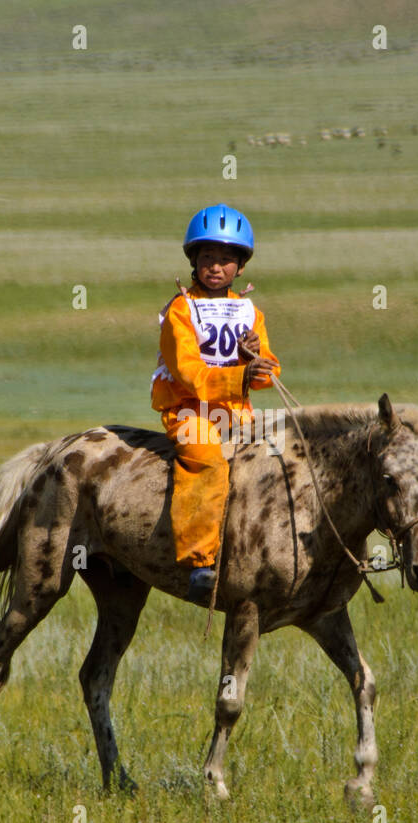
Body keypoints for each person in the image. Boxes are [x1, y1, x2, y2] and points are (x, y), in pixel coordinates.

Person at [150, 203, 281, 602]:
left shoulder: (249, 312)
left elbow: (269, 374)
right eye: (207, 257)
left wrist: (256, 360)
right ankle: (200, 562)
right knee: (205, 456)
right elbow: (188, 372)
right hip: (188, 412)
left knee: (281, 458)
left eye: (226, 259)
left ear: (240, 267)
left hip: (236, 414)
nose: (216, 267)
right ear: (193, 260)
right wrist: (238, 376)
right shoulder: (180, 310)